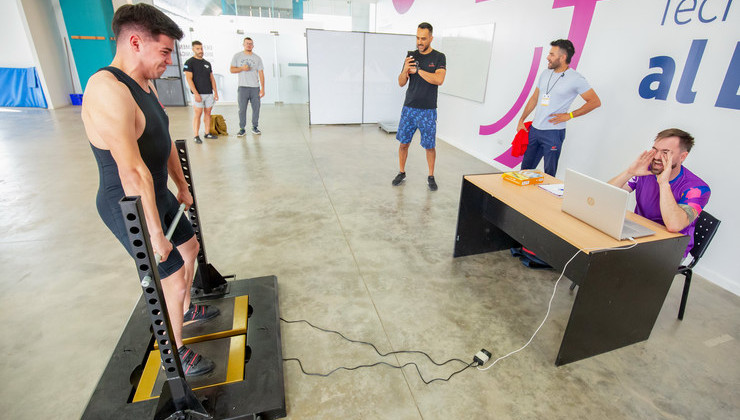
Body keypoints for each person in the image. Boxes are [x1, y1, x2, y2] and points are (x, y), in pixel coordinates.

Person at [81, 3, 218, 377]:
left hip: (154, 191)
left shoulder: (145, 83)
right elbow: (131, 170)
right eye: (163, 52)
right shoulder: (106, 89)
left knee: (190, 247)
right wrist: (156, 234)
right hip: (127, 201)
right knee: (170, 276)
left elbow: (164, 137)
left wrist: (182, 186)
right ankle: (173, 354)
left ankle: (186, 309)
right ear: (135, 42)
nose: (168, 62)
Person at [609, 128, 710, 257]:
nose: (656, 157)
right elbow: (607, 195)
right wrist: (629, 172)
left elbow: (674, 225)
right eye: (655, 150)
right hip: (637, 234)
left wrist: (663, 183)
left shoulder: (698, 188)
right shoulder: (647, 171)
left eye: (665, 152)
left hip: (670, 249)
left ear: (682, 156)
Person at [517, 39, 601, 177]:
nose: (547, 57)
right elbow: (534, 98)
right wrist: (522, 119)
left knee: (549, 174)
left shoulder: (576, 78)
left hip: (553, 133)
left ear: (563, 57)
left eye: (551, 54)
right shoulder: (545, 74)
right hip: (535, 129)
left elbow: (595, 102)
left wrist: (570, 115)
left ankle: (544, 198)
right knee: (525, 170)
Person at [392, 22, 446, 191]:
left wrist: (419, 70)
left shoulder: (439, 57)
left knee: (429, 146)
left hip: (428, 110)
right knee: (403, 143)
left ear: (431, 38)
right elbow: (401, 83)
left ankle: (431, 176)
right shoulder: (411, 56)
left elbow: (439, 80)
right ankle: (401, 172)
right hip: (409, 108)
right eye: (417, 38)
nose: (419, 42)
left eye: (423, 38)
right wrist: (405, 70)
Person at [184, 40, 219, 144]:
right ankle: (196, 135)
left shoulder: (207, 63)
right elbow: (189, 79)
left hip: (209, 93)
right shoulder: (189, 62)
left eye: (201, 48)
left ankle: (207, 133)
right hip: (198, 94)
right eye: (198, 49)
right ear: (193, 49)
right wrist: (196, 94)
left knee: (208, 113)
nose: (200, 51)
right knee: (198, 114)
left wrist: (215, 92)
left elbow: (212, 78)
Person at [230, 37, 265, 136]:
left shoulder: (257, 58)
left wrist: (263, 88)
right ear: (243, 44)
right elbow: (232, 70)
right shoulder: (237, 56)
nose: (249, 45)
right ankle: (242, 128)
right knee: (242, 109)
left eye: (250, 43)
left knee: (256, 108)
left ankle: (255, 127)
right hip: (242, 87)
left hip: (255, 87)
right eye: (247, 43)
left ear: (253, 45)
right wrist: (241, 68)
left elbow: (261, 73)